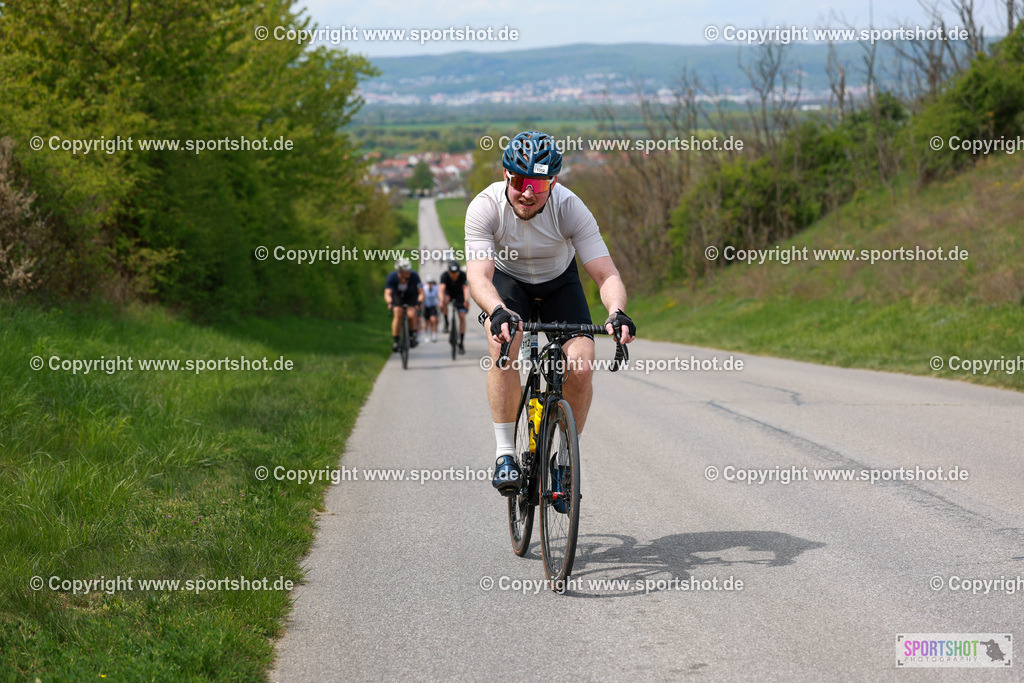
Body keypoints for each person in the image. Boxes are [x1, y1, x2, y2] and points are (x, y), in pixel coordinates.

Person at [464, 130, 636, 495]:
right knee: (503, 343)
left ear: (553, 183)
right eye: (519, 182)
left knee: (581, 365)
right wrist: (496, 310)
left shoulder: (571, 207)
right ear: (506, 176)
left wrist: (617, 311)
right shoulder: (485, 206)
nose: (528, 193)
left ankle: (564, 462)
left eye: (539, 185)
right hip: (509, 283)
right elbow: (478, 275)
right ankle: (505, 454)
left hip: (559, 283)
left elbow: (605, 273)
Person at [384, 258, 424, 352]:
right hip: (398, 297)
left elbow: (421, 292)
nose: (409, 273)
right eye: (406, 272)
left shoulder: (414, 276)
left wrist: (419, 302)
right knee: (398, 313)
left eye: (409, 271)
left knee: (411, 314)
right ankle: (396, 341)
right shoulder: (392, 277)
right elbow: (387, 293)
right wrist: (390, 302)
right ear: (400, 271)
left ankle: (411, 335)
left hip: (411, 296)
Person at [439, 258, 471, 354]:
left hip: (459, 295)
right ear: (449, 272)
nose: (454, 276)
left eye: (456, 273)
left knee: (462, 316)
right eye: (452, 274)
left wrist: (466, 300)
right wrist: (441, 301)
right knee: (444, 301)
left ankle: (461, 342)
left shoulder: (462, 275)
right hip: (449, 293)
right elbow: (441, 289)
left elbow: (465, 289)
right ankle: (446, 321)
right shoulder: (444, 276)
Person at [423, 277, 440, 342]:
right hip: (426, 306)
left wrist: (439, 303)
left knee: (433, 320)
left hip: (433, 306)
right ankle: (426, 334)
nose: (430, 284)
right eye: (428, 283)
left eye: (431, 282)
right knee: (426, 321)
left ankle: (434, 334)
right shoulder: (424, 288)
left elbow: (438, 296)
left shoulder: (436, 288)